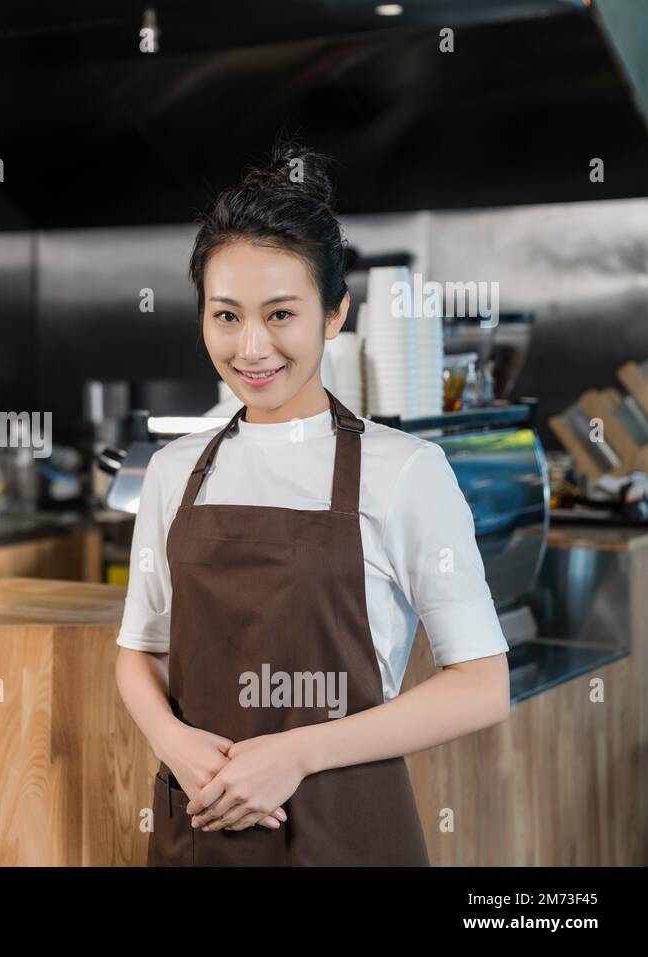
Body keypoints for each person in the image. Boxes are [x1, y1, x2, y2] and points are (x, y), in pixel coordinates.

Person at [114, 138, 511, 866]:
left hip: (346, 830)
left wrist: (294, 754)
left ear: (334, 316)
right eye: (226, 316)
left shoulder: (406, 470)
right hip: (200, 826)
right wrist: (174, 743)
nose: (252, 346)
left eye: (282, 314)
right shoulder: (173, 471)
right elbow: (139, 650)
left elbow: (483, 685)